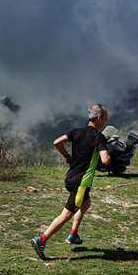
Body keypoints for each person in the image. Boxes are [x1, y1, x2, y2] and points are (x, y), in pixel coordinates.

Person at [32, 103, 111, 259]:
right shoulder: (99, 137)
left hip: (71, 177)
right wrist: (108, 153)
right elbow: (106, 160)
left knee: (86, 203)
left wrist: (67, 156)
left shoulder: (76, 132)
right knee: (67, 214)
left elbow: (56, 142)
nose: (106, 122)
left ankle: (74, 234)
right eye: (106, 119)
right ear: (100, 118)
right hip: (81, 182)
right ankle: (41, 240)